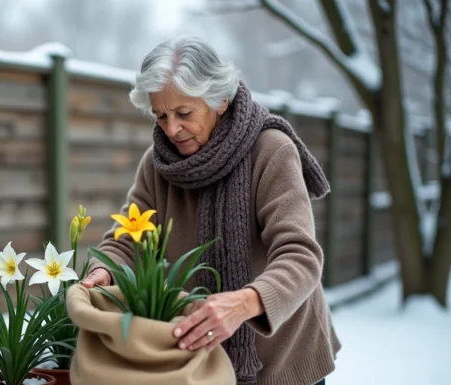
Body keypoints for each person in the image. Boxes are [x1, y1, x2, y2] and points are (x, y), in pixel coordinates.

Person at [80, 36, 340, 385]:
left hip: (282, 356)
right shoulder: (157, 165)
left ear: (220, 100)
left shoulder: (271, 150)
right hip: (197, 361)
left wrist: (243, 304)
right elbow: (126, 241)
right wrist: (104, 271)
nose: (172, 129)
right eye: (161, 116)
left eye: (184, 113)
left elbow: (300, 255)